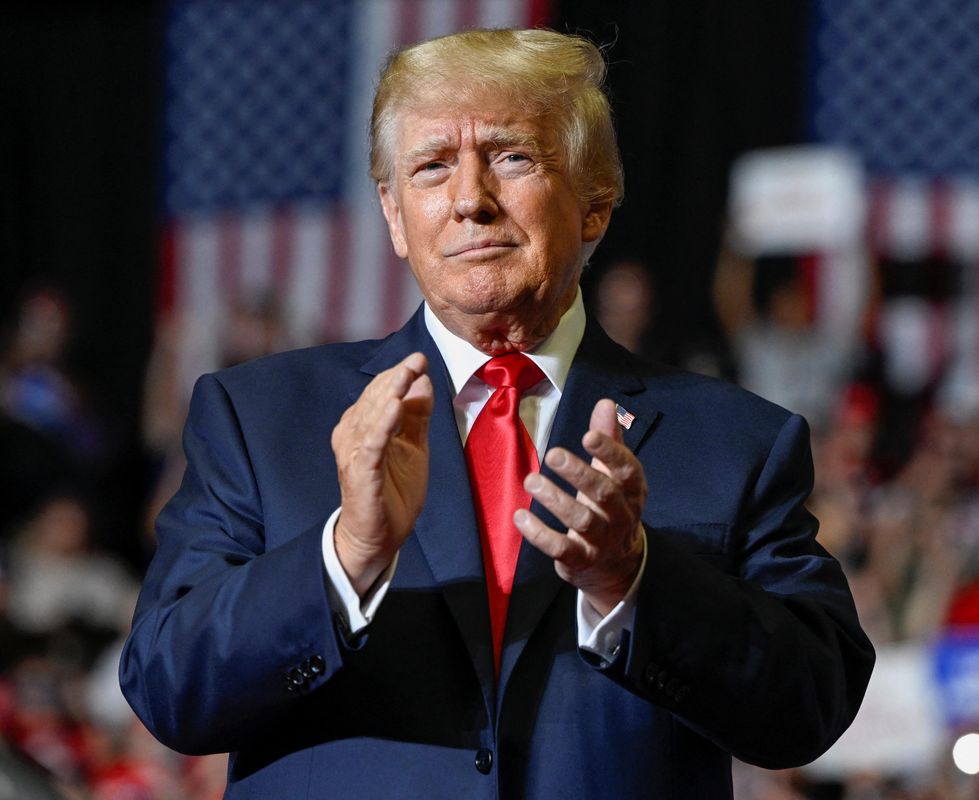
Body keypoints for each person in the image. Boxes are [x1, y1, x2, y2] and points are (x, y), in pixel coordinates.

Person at [119, 28, 873, 799]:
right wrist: (347, 554)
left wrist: (634, 579)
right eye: (432, 167)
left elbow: (811, 705)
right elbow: (168, 690)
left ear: (596, 204)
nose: (470, 200)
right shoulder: (261, 418)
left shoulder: (736, 441)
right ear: (392, 213)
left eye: (512, 157)